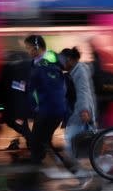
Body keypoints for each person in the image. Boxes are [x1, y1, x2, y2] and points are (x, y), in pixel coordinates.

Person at [25, 35, 77, 172]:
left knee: (36, 142)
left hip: (47, 110)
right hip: (54, 109)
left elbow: (38, 89)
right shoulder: (45, 62)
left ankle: (32, 176)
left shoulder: (44, 66)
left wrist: (35, 107)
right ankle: (68, 166)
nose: (28, 51)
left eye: (29, 48)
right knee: (43, 141)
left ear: (37, 47)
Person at [60, 47, 96, 157]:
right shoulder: (73, 71)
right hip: (75, 111)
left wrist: (84, 110)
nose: (61, 64)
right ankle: (93, 163)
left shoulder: (80, 71)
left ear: (70, 59)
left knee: (71, 139)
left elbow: (83, 92)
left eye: (63, 61)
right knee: (78, 140)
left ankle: (73, 166)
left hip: (79, 112)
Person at [0, 49, 32, 151]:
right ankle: (31, 142)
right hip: (20, 101)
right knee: (21, 123)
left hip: (14, 102)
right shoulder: (25, 66)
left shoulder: (8, 68)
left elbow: (3, 85)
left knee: (12, 121)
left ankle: (32, 141)